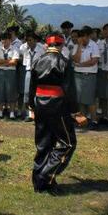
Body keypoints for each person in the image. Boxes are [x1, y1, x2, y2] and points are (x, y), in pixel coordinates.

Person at [29, 34, 87, 195]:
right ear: (61, 46)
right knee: (68, 143)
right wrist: (76, 112)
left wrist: (31, 107)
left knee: (43, 144)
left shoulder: (37, 61)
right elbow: (70, 90)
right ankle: (45, 176)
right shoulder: (64, 62)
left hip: (40, 105)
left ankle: (40, 183)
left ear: (47, 46)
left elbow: (31, 87)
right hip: (58, 106)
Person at [72, 27, 100, 129]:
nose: (82, 38)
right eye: (80, 36)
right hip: (78, 75)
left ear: (88, 36)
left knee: (89, 100)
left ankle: (94, 120)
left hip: (89, 75)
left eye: (83, 36)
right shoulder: (76, 46)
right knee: (79, 100)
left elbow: (94, 61)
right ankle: (82, 120)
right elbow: (76, 58)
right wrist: (79, 46)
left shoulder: (94, 46)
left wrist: (81, 65)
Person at [20, 31, 45, 121]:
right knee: (27, 93)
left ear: (35, 40)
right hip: (28, 71)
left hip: (38, 72)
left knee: (38, 93)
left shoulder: (41, 49)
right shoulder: (25, 49)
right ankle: (30, 114)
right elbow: (21, 49)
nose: (29, 42)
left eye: (31, 40)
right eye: (27, 40)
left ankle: (39, 113)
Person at [0, 32, 19, 119]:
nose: (4, 41)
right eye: (3, 40)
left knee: (11, 92)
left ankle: (12, 113)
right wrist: (8, 62)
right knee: (0, 92)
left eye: (6, 39)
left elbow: (15, 62)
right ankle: (0, 112)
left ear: (10, 40)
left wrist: (2, 62)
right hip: (0, 72)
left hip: (10, 73)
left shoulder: (15, 49)